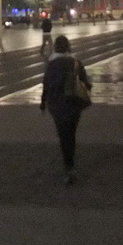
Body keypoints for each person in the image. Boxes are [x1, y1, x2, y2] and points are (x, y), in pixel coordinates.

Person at [40, 35, 92, 185]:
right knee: (71, 134)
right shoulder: (76, 63)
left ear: (55, 47)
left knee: (63, 136)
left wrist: (43, 104)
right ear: (68, 47)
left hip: (56, 106)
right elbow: (86, 83)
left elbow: (46, 85)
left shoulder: (51, 65)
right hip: (73, 105)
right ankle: (71, 165)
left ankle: (68, 165)